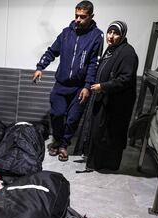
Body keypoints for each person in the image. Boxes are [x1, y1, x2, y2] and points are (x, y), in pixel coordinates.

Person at [33, 1, 103, 162]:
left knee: (72, 119)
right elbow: (52, 51)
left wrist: (87, 86)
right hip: (61, 85)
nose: (78, 19)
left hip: (79, 88)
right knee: (57, 114)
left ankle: (64, 145)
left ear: (91, 16)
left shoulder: (96, 36)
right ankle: (57, 140)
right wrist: (40, 67)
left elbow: (93, 63)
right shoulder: (66, 33)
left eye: (83, 17)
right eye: (76, 16)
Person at [84, 20, 139, 171]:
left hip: (116, 103)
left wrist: (103, 86)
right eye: (110, 32)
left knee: (109, 133)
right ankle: (96, 163)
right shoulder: (111, 50)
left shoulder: (128, 53)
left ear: (123, 35)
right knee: (99, 131)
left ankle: (106, 165)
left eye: (116, 33)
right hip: (105, 98)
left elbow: (125, 79)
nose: (111, 36)